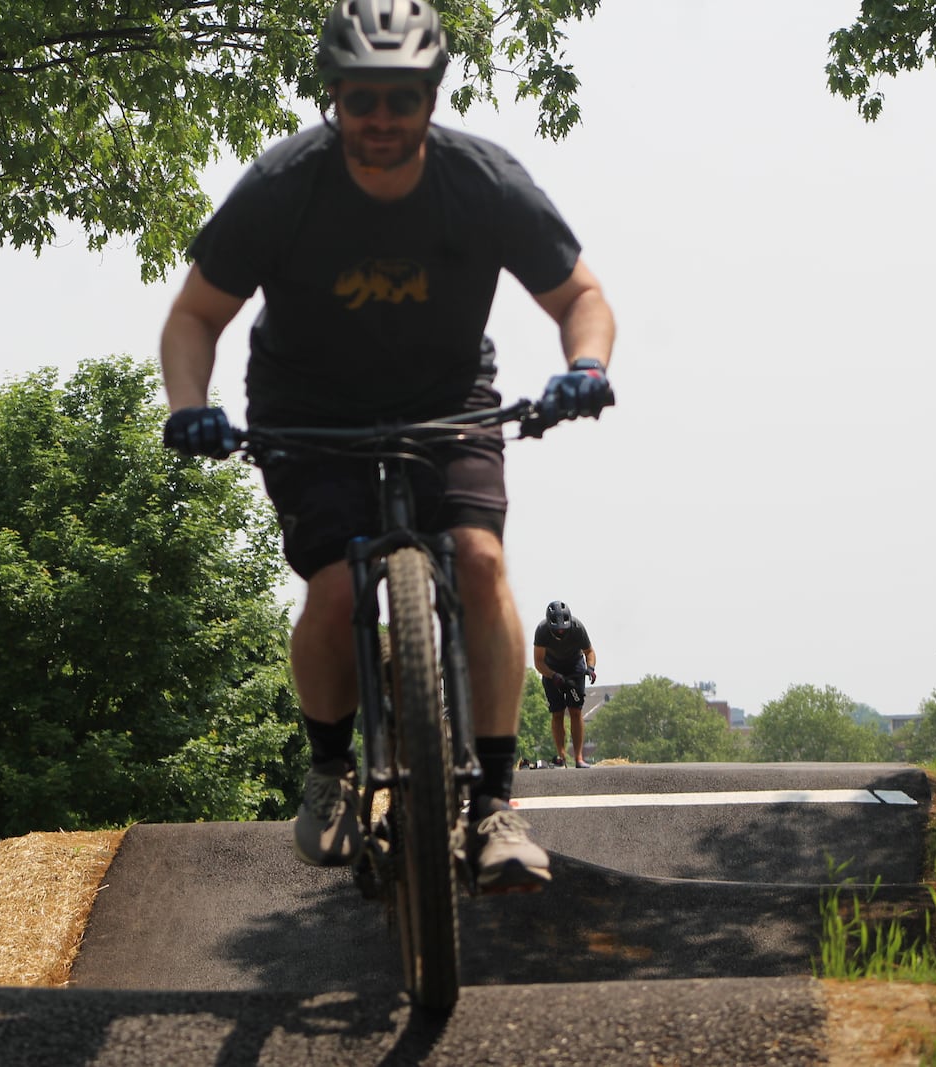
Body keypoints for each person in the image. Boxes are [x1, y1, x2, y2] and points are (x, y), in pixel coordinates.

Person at [158, 0, 615, 893]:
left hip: (447, 400)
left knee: (480, 563)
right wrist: (189, 405)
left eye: (399, 99)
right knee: (333, 591)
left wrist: (585, 366)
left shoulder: (481, 180)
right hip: (307, 406)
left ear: (431, 98)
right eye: (360, 98)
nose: (379, 119)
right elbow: (194, 317)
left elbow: (580, 298)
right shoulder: (285, 185)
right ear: (334, 96)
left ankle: (494, 803)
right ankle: (330, 772)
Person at [533, 600, 596, 768]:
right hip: (550, 669)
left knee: (575, 711)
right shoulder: (542, 631)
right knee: (557, 712)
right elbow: (538, 662)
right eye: (557, 630)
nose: (561, 632)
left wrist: (590, 668)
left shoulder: (577, 628)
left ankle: (579, 758)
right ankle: (562, 757)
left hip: (574, 667)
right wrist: (553, 676)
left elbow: (589, 651)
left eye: (563, 629)